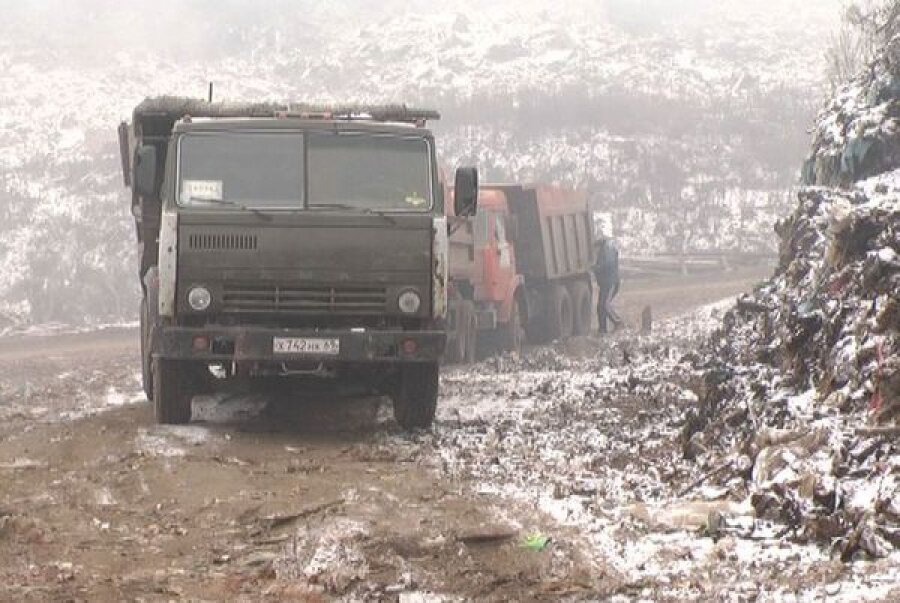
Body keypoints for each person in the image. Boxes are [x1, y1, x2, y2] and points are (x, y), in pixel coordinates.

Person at [593, 237, 622, 334]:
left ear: (599, 246)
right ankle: (602, 329)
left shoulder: (608, 251)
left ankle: (618, 323)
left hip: (611, 283)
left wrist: (596, 268)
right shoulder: (604, 252)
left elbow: (607, 265)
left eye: (596, 248)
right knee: (600, 307)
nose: (595, 251)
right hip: (605, 284)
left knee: (605, 305)